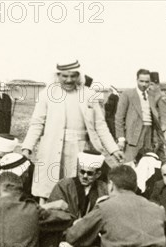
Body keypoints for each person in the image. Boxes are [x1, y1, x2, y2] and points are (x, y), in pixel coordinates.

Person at [21, 59, 123, 200]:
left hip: (79, 150)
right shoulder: (47, 94)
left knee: (77, 190)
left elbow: (100, 125)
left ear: (79, 75)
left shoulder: (88, 94)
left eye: (73, 76)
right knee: (48, 191)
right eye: (65, 76)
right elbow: (37, 124)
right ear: (58, 75)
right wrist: (27, 148)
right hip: (52, 148)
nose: (69, 80)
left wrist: (113, 149)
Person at [115, 69, 166, 163]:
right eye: (141, 81)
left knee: (149, 165)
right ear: (136, 80)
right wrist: (121, 138)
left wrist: (162, 132)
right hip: (133, 136)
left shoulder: (153, 95)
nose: (144, 84)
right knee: (130, 165)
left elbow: (164, 114)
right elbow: (119, 118)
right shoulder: (128, 94)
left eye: (147, 82)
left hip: (149, 135)